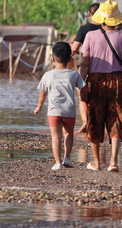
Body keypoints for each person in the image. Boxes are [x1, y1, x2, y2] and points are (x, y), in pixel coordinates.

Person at [79, 0, 122, 172]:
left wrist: (80, 84)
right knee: (116, 119)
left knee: (95, 119)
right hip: (118, 82)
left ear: (101, 19)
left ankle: (97, 163)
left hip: (95, 81)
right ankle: (113, 162)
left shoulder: (90, 36)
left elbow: (84, 64)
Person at [34, 42, 86, 170]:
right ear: (70, 60)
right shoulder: (74, 75)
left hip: (54, 111)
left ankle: (57, 162)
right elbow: (84, 89)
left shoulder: (48, 75)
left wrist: (39, 106)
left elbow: (43, 93)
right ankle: (67, 159)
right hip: (69, 111)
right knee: (69, 134)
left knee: (56, 137)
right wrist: (85, 98)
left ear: (53, 58)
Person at [70, 3, 101, 134]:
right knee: (99, 97)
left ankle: (85, 122)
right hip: (104, 68)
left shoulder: (84, 29)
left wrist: (62, 57)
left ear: (89, 14)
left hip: (86, 68)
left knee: (82, 95)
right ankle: (98, 124)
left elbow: (74, 49)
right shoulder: (106, 28)